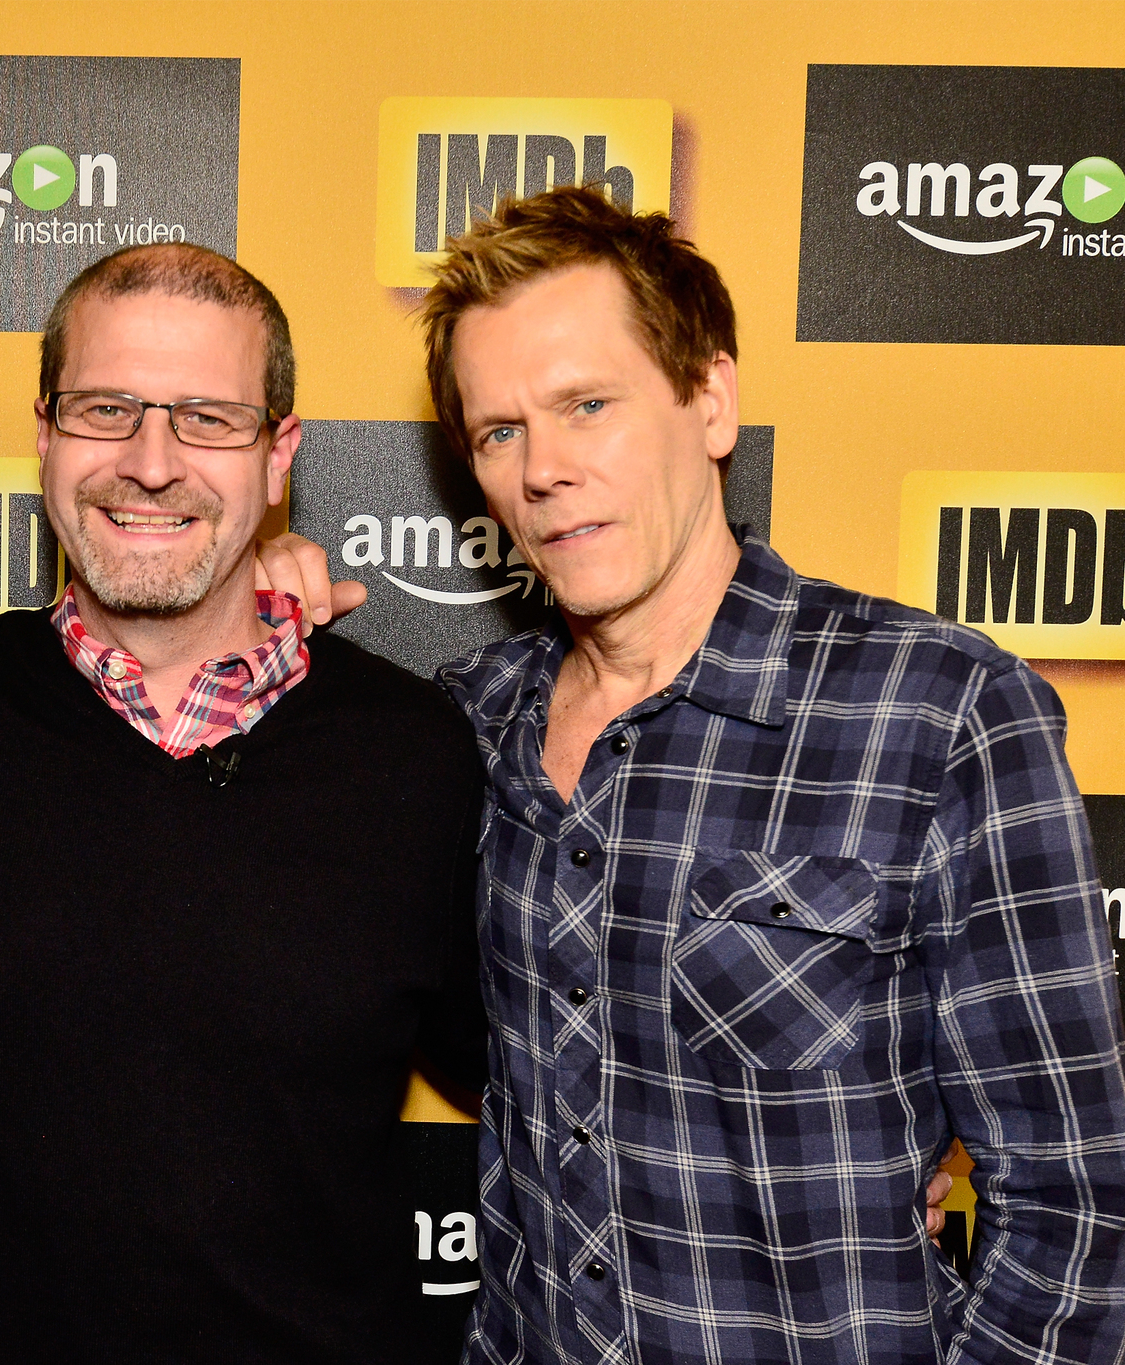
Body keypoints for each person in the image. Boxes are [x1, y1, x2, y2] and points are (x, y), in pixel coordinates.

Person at [404, 187, 1125, 1363]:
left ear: (709, 401)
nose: (543, 470)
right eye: (498, 432)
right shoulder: (464, 728)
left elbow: (1073, 1202)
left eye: (587, 404)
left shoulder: (935, 712)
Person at [0, 243, 489, 1364]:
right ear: (45, 433)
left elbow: (557, 1081)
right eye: (107, 409)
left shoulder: (415, 753)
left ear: (276, 453)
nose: (150, 464)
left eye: (207, 419)